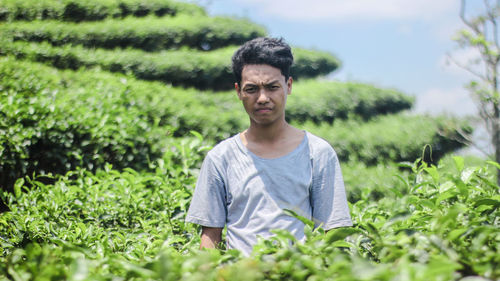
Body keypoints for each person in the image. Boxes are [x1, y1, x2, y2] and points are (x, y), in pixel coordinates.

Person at [185, 37, 352, 256]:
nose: (262, 98)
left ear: (288, 86)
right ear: (238, 91)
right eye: (252, 89)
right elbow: (210, 237)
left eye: (272, 87)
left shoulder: (318, 153)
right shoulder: (221, 157)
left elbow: (334, 231)